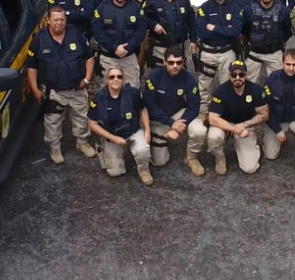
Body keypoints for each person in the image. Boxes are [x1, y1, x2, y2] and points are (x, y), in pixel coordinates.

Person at [27, 6, 97, 165]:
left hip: (77, 88)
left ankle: (82, 143)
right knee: (53, 122)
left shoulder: (75, 34)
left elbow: (89, 57)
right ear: (48, 20)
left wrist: (87, 79)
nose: (59, 23)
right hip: (53, 91)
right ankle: (55, 148)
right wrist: (35, 89)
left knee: (81, 117)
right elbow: (31, 67)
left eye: (62, 19)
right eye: (55, 20)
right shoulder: (39, 39)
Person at [142, 45, 208, 176]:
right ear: (164, 62)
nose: (175, 66)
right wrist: (171, 123)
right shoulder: (154, 77)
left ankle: (191, 157)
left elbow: (194, 106)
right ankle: (157, 139)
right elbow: (150, 106)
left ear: (183, 62)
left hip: (179, 115)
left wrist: (178, 127)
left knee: (200, 130)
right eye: (171, 62)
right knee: (160, 162)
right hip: (159, 120)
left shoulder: (189, 79)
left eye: (178, 62)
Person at [88, 65, 153, 186]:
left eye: (119, 76)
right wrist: (114, 139)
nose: (116, 79)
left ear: (123, 79)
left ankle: (143, 170)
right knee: (115, 172)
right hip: (112, 135)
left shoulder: (133, 93)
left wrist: (147, 130)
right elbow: (92, 123)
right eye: (112, 77)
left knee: (143, 149)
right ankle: (108, 149)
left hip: (132, 131)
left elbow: (142, 110)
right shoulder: (99, 99)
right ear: (107, 79)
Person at [206, 61, 270, 175]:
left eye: (241, 74)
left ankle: (250, 144)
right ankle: (219, 158)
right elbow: (213, 119)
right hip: (224, 124)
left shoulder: (256, 90)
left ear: (246, 75)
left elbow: (264, 115)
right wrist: (234, 129)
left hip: (245, 125)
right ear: (229, 75)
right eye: (233, 74)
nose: (237, 78)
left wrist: (244, 125)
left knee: (249, 168)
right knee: (213, 137)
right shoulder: (220, 91)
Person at [194, 0, 244, 110]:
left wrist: (213, 27)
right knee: (204, 85)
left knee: (229, 84)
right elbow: (202, 33)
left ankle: (226, 111)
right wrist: (226, 29)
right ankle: (204, 111)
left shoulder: (234, 7)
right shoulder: (204, 8)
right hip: (208, 52)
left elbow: (235, 31)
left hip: (227, 52)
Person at [91, 0, 147, 87]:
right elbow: (98, 32)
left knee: (132, 90)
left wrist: (128, 48)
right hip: (108, 58)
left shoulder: (136, 8)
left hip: (129, 57)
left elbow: (141, 31)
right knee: (108, 91)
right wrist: (115, 48)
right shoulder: (102, 8)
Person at [143, 0, 195, 70]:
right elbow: (142, 17)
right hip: (159, 47)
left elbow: (191, 21)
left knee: (178, 74)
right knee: (159, 74)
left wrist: (193, 40)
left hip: (179, 46)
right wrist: (154, 25)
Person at [243, 0, 293, 84]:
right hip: (254, 53)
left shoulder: (284, 11)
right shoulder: (249, 10)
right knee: (249, 84)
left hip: (275, 53)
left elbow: (288, 31)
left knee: (278, 84)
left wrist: (278, 41)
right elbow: (244, 31)